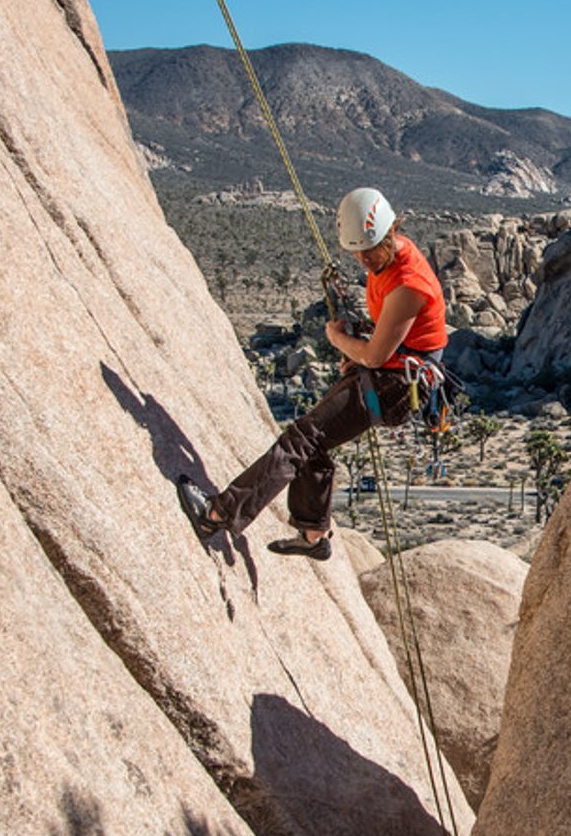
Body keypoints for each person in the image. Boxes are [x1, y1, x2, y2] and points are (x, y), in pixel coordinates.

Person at [177, 186, 449, 561]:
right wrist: (363, 354)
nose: (364, 261)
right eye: (357, 253)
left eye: (369, 252)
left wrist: (341, 342)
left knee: (302, 438)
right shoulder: (388, 256)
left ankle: (217, 514)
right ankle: (313, 533)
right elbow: (382, 346)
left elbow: (374, 354)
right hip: (387, 374)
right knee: (314, 440)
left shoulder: (408, 285)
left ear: (390, 234)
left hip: (394, 388)